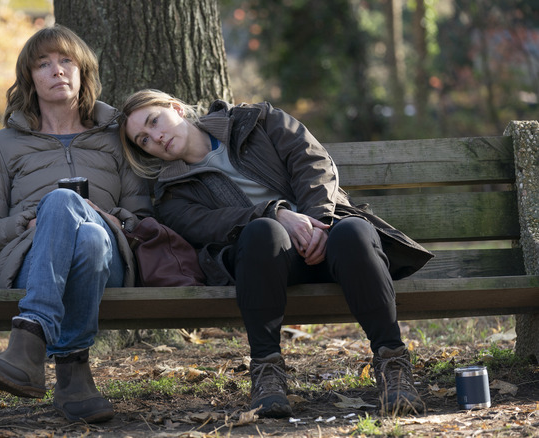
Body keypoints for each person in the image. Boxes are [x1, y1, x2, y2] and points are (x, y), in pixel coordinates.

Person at [118, 89, 434, 418]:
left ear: (177, 108)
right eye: (144, 140)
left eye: (155, 121)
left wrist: (319, 223)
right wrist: (278, 213)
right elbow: (214, 224)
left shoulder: (257, 121)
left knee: (354, 231)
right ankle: (267, 373)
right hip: (269, 264)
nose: (156, 137)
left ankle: (394, 367)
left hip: (331, 235)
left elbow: (312, 163)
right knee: (261, 232)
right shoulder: (171, 196)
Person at [0, 25, 152, 423]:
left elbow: (143, 220)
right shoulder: (6, 143)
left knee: (78, 220)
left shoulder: (115, 136)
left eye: (67, 60)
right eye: (44, 64)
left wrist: (109, 217)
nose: (57, 71)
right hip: (32, 268)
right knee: (75, 229)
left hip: (111, 264)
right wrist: (27, 224)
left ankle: (28, 345)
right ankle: (73, 378)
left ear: (83, 70)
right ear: (30, 78)